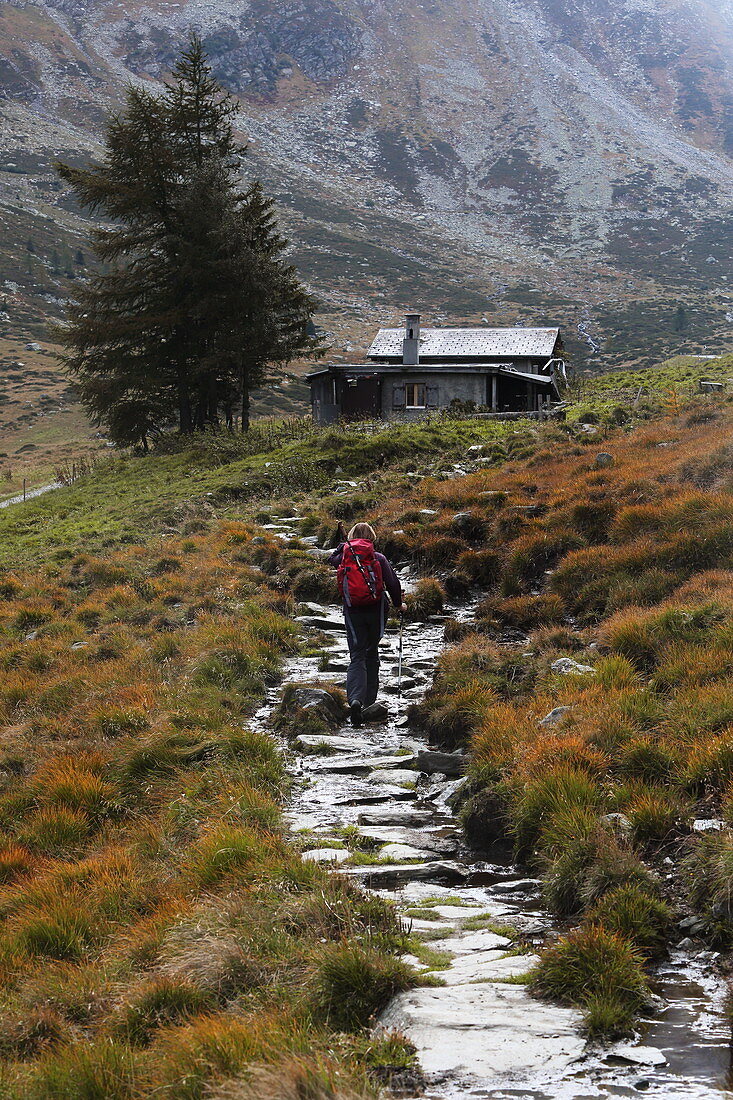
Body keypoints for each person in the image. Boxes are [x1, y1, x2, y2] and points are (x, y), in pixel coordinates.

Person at [329, 521, 406, 727]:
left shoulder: (343, 557)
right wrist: (399, 604)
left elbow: (331, 559)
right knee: (371, 652)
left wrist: (344, 546)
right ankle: (369, 702)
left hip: (353, 611)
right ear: (371, 537)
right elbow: (393, 583)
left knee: (357, 655)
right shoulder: (378, 558)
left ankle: (355, 699)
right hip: (377, 609)